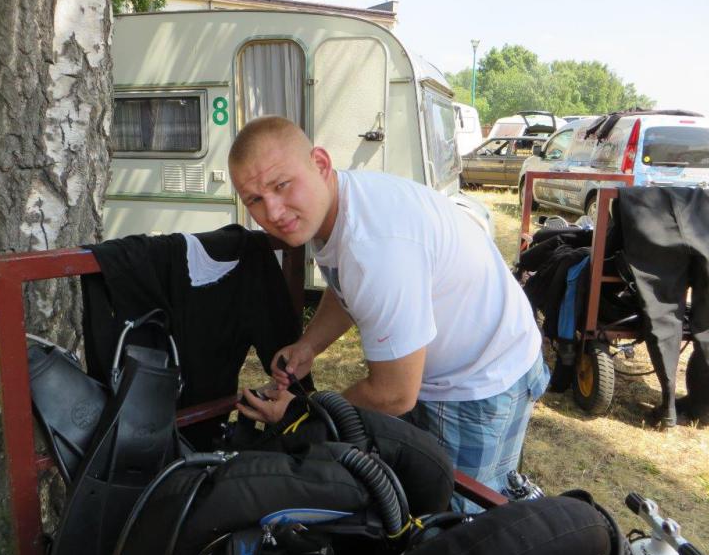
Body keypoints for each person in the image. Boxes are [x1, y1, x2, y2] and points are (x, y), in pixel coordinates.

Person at [229, 116, 549, 511]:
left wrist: (302, 415)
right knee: (412, 485)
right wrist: (309, 345)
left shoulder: (374, 245)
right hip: (443, 368)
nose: (274, 212)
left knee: (460, 516)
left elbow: (394, 394)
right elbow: (346, 287)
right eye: (255, 200)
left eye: (281, 185)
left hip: (481, 380)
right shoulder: (335, 205)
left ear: (320, 163)